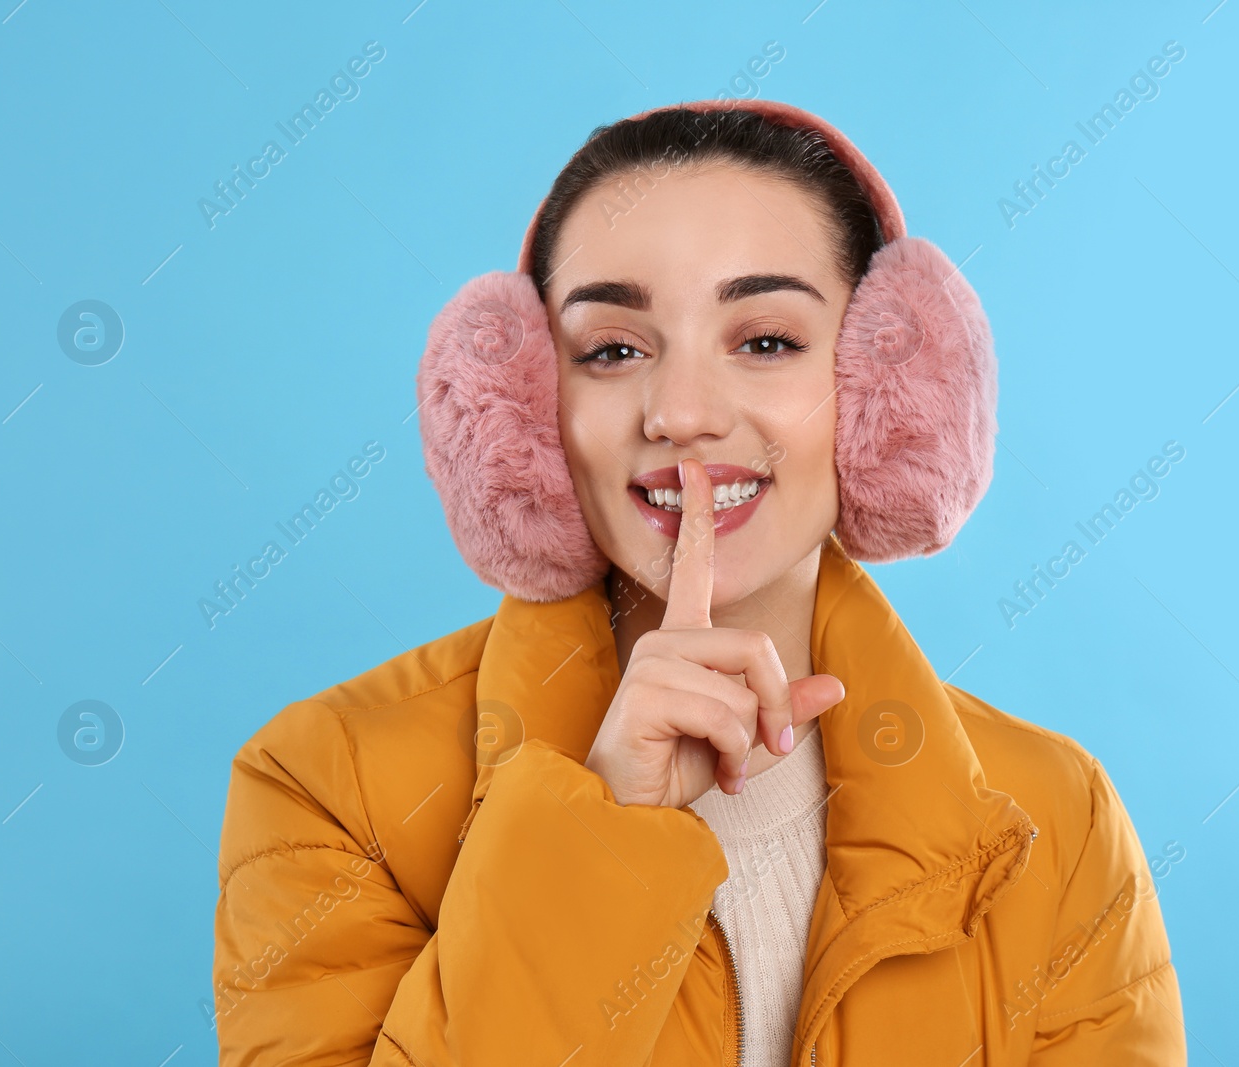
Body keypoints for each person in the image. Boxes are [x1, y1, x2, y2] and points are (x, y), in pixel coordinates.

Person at [212, 99, 1186, 1065]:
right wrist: (600, 826)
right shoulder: (330, 784)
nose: (680, 412)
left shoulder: (1056, 816)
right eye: (612, 350)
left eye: (765, 340)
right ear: (526, 414)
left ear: (890, 392)